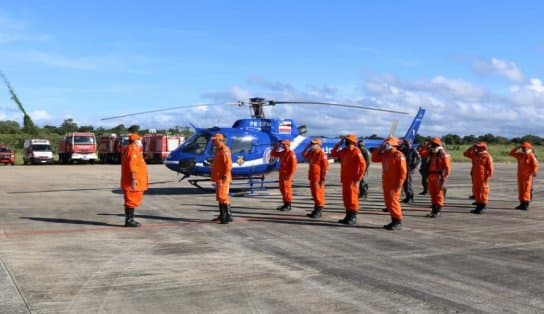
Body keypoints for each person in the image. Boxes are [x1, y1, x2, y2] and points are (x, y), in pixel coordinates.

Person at [371, 137, 407, 230]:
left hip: (395, 183)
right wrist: (379, 148)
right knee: (388, 203)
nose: (385, 145)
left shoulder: (398, 154)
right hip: (386, 182)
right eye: (385, 143)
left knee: (393, 202)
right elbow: (374, 158)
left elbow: (403, 172)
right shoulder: (385, 154)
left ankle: (398, 221)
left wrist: (399, 184)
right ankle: (393, 220)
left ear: (393, 145)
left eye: (388, 144)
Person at [330, 134, 366, 225]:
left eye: (347, 140)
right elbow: (333, 153)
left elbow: (363, 165)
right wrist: (338, 144)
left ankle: (353, 217)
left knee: (352, 198)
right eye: (345, 140)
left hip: (353, 180)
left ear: (352, 142)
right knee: (346, 199)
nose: (346, 142)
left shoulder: (356, 151)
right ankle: (348, 216)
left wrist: (358, 178)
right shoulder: (344, 151)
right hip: (345, 179)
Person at [120, 133, 148, 227]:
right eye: (139, 140)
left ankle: (130, 219)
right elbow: (132, 165)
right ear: (135, 140)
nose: (140, 142)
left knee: (132, 200)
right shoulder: (133, 149)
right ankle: (129, 220)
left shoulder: (132, 149)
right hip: (133, 181)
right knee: (131, 200)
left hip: (133, 180)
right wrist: (133, 178)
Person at [421, 137, 451, 218]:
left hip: (439, 177)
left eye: (434, 146)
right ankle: (433, 210)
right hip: (431, 176)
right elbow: (422, 153)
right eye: (432, 145)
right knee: (433, 194)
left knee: (439, 194)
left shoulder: (444, 155)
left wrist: (444, 179)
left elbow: (447, 168)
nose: (433, 147)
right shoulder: (432, 154)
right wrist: (427, 146)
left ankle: (438, 211)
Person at [464, 142, 494, 214]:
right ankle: (479, 203)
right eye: (477, 147)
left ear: (483, 148)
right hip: (475, 176)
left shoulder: (487, 156)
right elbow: (465, 154)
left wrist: (487, 177)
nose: (477, 148)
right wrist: (471, 147)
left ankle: (482, 205)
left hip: (483, 177)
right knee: (476, 190)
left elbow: (490, 169)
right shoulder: (475, 155)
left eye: (479, 147)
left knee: (483, 191)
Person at [302, 138, 329, 218]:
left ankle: (319, 211)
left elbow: (325, 168)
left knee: (318, 195)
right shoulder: (312, 152)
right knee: (314, 195)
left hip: (318, 178)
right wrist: (307, 147)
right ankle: (316, 210)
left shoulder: (322, 154)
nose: (312, 145)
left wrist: (323, 179)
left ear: (319, 145)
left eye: (314, 144)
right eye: (312, 144)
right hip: (312, 177)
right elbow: (303, 154)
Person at [210, 133, 233, 223]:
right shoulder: (218, 150)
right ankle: (222, 215)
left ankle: (227, 216)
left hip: (223, 177)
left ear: (220, 140)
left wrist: (226, 175)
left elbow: (229, 165)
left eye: (214, 140)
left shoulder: (224, 150)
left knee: (223, 197)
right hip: (219, 177)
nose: (213, 142)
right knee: (219, 197)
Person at [509, 142, 539, 210]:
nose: (522, 149)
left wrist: (532, 173)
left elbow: (535, 165)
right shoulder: (520, 155)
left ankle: (526, 204)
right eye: (522, 147)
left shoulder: (531, 155)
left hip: (527, 176)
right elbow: (511, 153)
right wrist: (517, 147)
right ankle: (521, 203)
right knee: (521, 190)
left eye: (524, 147)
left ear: (528, 148)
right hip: (520, 176)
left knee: (526, 190)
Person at [271, 139, 298, 211]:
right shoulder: (283, 153)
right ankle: (285, 204)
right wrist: (276, 147)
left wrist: (289, 176)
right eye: (282, 145)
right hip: (282, 175)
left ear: (288, 145)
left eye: (284, 144)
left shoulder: (291, 154)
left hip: (287, 176)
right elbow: (273, 154)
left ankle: (288, 205)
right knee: (282, 189)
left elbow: (293, 167)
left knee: (287, 190)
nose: (282, 146)